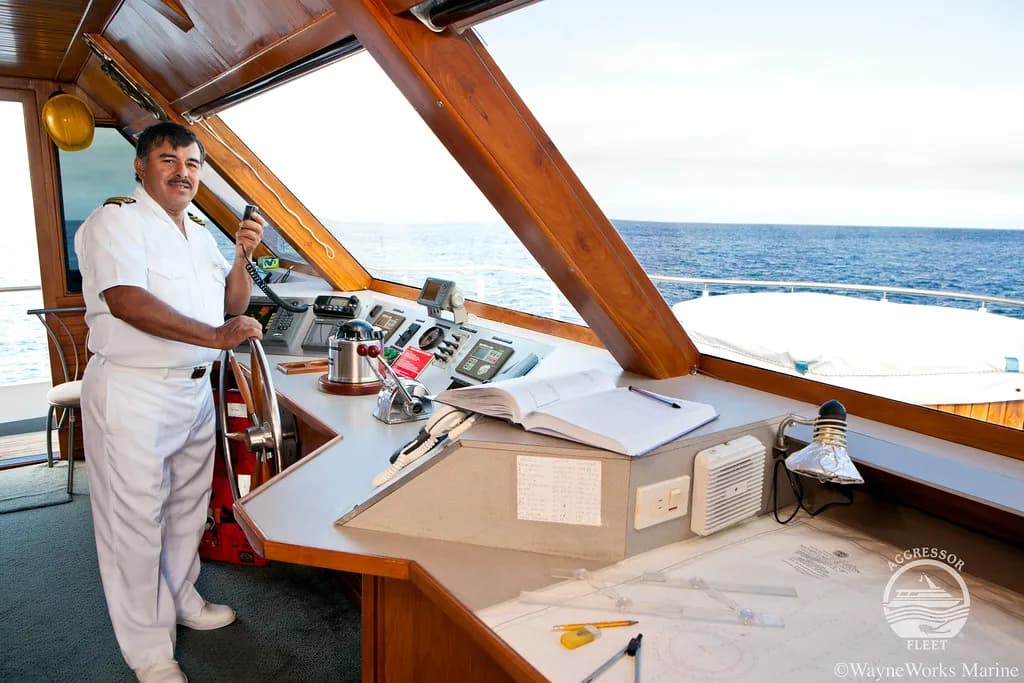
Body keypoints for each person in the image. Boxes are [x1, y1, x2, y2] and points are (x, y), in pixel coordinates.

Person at [74, 122, 266, 683]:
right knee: (133, 521)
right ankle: (149, 650)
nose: (183, 172)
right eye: (168, 160)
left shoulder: (200, 232)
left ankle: (182, 599)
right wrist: (217, 338)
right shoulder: (115, 222)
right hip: (133, 391)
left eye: (192, 163)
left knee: (186, 508)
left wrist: (242, 257)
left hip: (192, 391)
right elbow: (127, 302)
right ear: (141, 166)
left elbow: (227, 304)